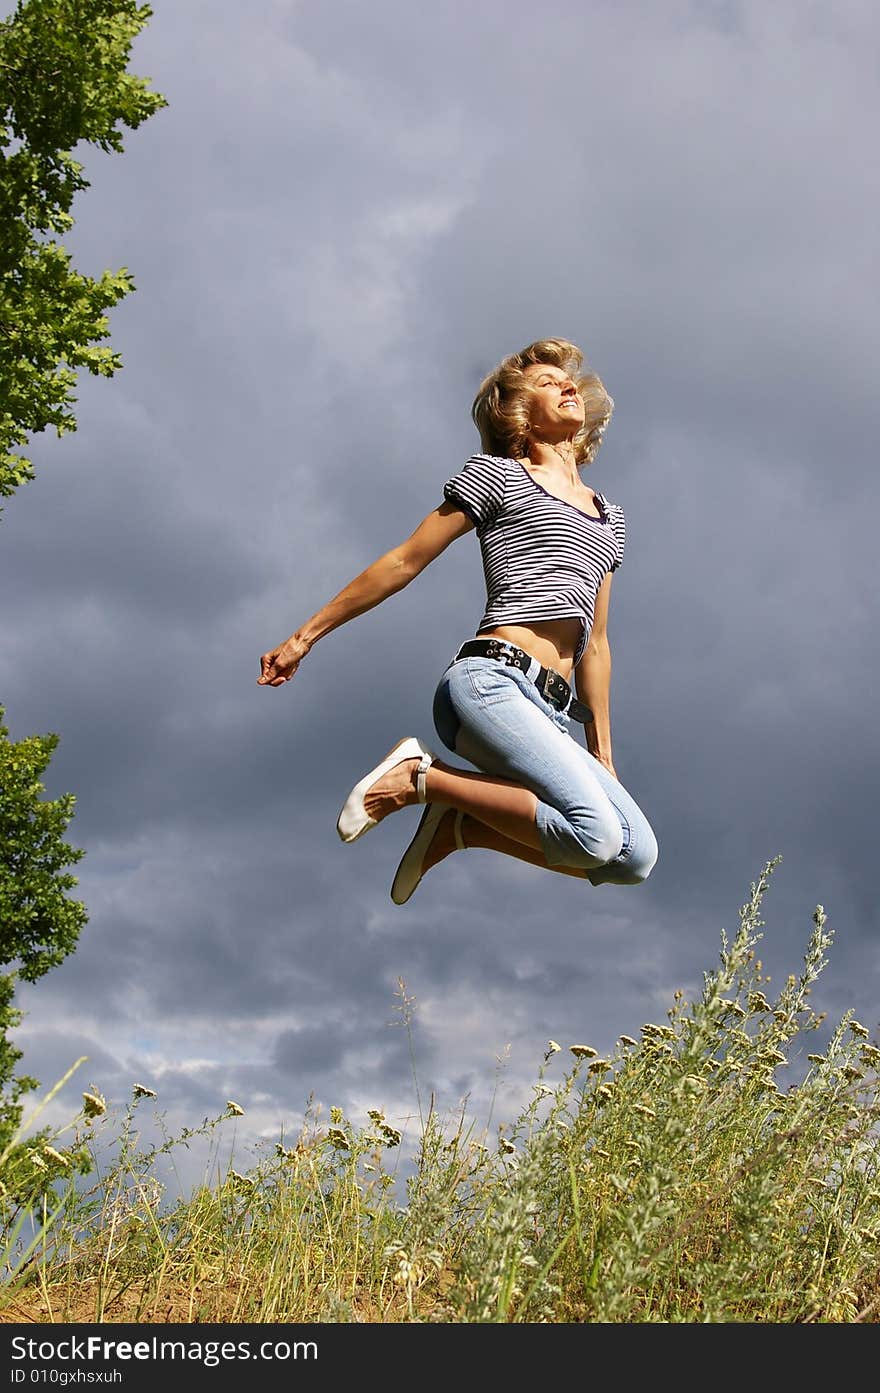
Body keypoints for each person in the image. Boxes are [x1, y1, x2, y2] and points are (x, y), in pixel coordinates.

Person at [258, 337, 658, 904]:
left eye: (567, 381)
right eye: (546, 384)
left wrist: (603, 756)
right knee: (595, 834)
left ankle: (461, 825)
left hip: (551, 711)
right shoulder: (498, 475)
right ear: (518, 416)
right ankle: (421, 778)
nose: (567, 386)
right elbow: (404, 560)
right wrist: (303, 637)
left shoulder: (608, 516)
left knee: (633, 856)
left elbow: (596, 646)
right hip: (491, 684)